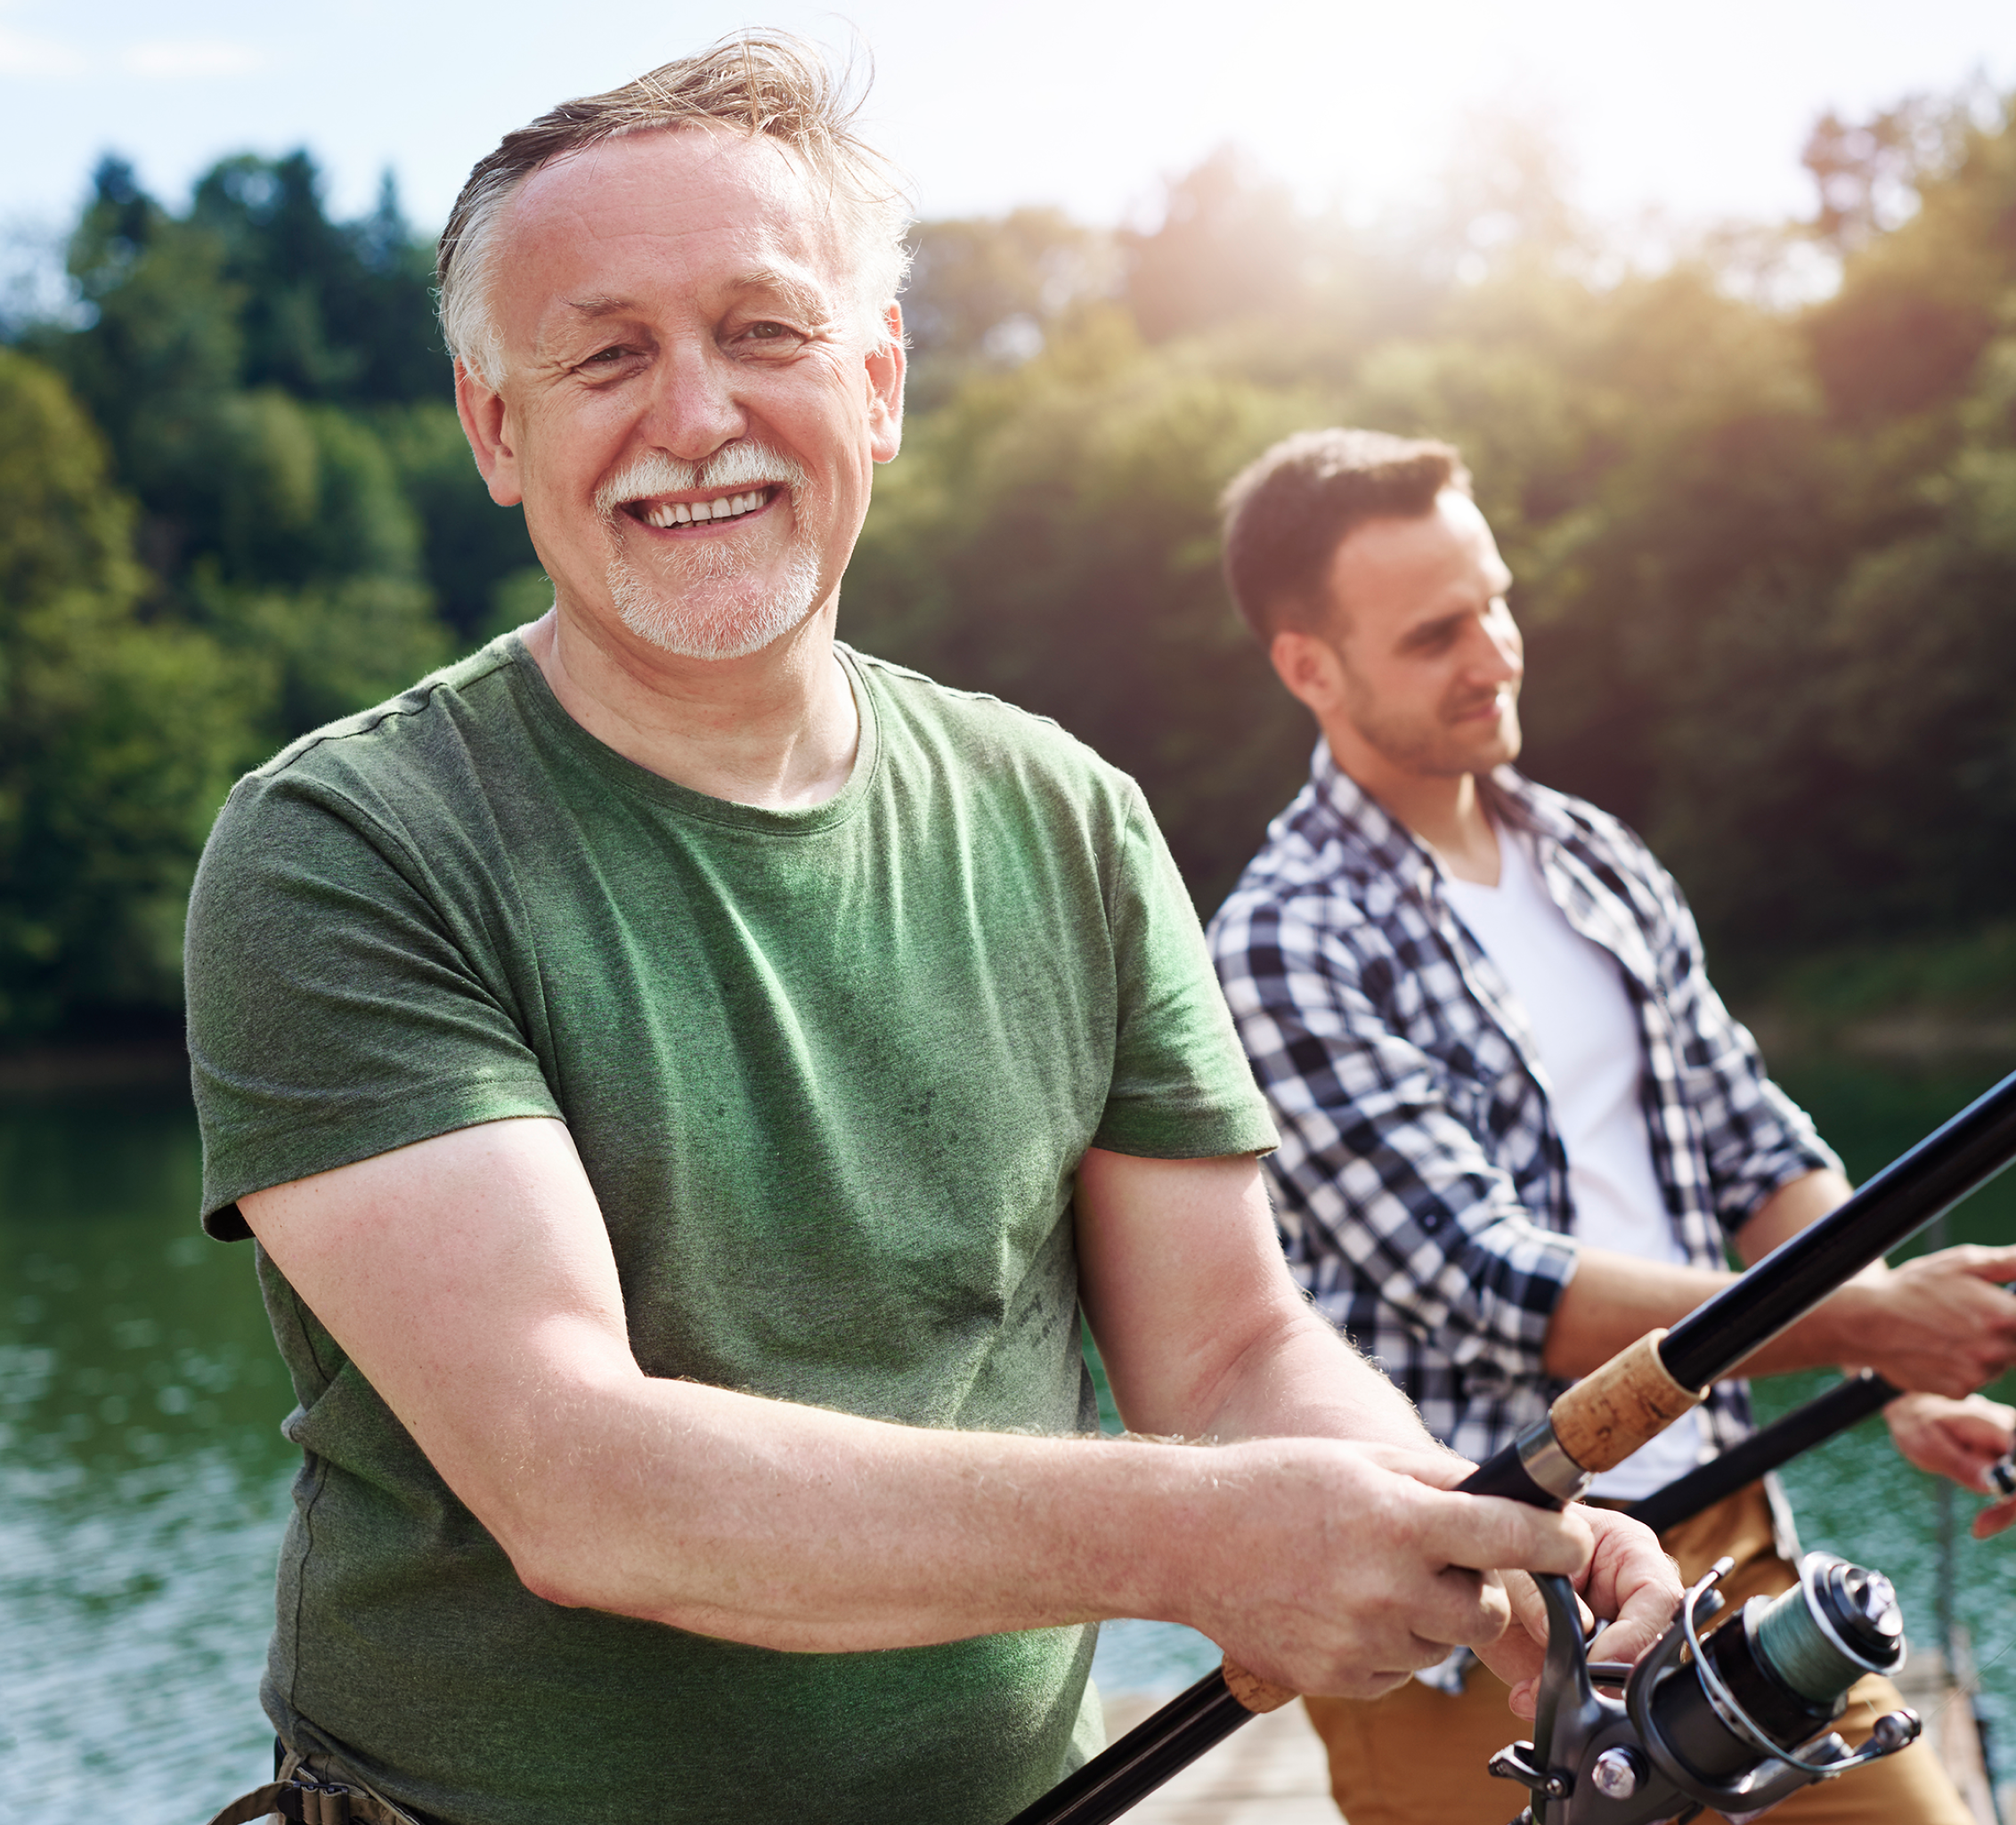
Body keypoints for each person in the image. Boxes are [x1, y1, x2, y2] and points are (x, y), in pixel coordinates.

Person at [182, 45, 1679, 1825]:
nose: (694, 416)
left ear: (877, 378)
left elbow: (1226, 1356)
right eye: (605, 355)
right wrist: (1204, 1537)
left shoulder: (1068, 814)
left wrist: (1473, 1521)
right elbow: (578, 1480)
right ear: (497, 430)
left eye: (763, 330)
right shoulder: (344, 847)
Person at [1206, 426, 2016, 1825]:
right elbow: (1503, 1285)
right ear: (1308, 668)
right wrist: (1875, 1326)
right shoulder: (1282, 941)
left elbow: (1756, 1148)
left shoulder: (1595, 858)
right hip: (1475, 1615)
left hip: (1728, 1537)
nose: (1495, 651)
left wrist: (1901, 1361)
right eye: (1435, 633)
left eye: (1498, 601)